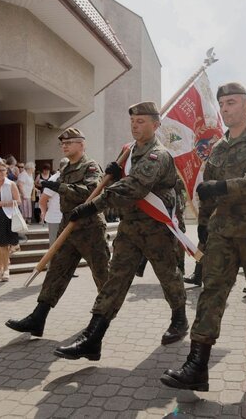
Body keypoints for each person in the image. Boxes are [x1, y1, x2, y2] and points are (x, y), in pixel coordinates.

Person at [161, 82, 246, 392]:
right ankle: (197, 364)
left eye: (232, 102)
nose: (226, 108)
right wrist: (203, 224)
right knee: (211, 291)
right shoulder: (218, 147)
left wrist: (228, 187)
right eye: (223, 104)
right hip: (222, 231)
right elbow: (207, 190)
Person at [53, 102, 188, 360]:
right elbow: (123, 180)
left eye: (142, 121)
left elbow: (134, 188)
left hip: (156, 229)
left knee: (168, 276)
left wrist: (92, 206)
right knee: (115, 280)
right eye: (133, 121)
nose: (135, 126)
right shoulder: (128, 153)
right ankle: (93, 338)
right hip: (130, 230)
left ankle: (179, 319)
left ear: (156, 125)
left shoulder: (158, 155)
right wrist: (113, 175)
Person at [5, 128, 110, 338]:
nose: (64, 146)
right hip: (68, 225)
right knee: (56, 273)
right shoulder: (65, 168)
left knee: (102, 275)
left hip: (89, 228)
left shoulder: (90, 166)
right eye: (63, 143)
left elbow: (91, 192)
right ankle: (38, 318)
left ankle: (103, 319)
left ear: (82, 145)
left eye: (69, 142)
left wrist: (59, 187)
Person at [0, 162, 21, 282]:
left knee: (4, 244)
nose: (3, 172)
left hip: (6, 215)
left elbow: (18, 201)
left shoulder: (10, 184)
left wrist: (2, 204)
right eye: (0, 170)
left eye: (4, 170)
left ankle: (6, 270)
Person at [39, 158, 67, 245]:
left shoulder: (69, 178)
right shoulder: (54, 179)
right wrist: (43, 213)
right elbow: (43, 199)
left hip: (67, 218)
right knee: (55, 246)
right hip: (56, 218)